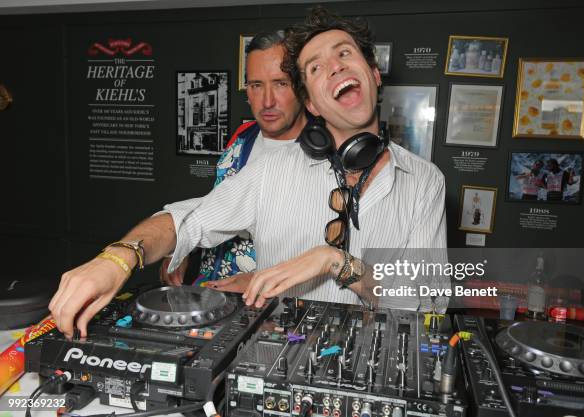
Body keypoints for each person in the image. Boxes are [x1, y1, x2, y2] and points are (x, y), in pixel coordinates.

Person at [49, 7, 448, 339]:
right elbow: (186, 219)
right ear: (311, 104)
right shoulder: (272, 171)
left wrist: (337, 262)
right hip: (276, 363)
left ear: (373, 74)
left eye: (344, 54)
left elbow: (427, 305)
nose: (333, 67)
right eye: (315, 67)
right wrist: (118, 258)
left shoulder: (426, 182)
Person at [160, 31, 308, 287]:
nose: (267, 101)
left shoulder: (326, 156)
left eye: (281, 83)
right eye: (256, 85)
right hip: (209, 295)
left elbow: (333, 254)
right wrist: (183, 248)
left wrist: (258, 280)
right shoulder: (242, 137)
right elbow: (216, 208)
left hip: (273, 307)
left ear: (303, 88)